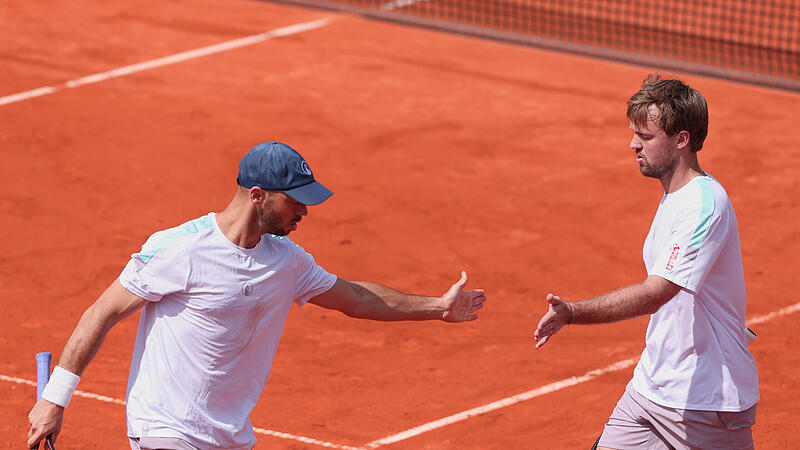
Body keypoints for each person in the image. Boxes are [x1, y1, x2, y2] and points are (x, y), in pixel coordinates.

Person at [26, 141, 487, 450]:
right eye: (296, 200)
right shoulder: (181, 248)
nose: (305, 210)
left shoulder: (286, 261)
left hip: (231, 436)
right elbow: (101, 312)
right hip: (166, 430)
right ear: (258, 195)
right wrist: (54, 398)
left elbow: (357, 299)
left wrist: (438, 307)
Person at [534, 74, 758, 449]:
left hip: (704, 403)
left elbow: (657, 293)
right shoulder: (675, 196)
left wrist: (573, 311)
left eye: (646, 136)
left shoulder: (704, 206)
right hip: (651, 389)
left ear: (681, 140)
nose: (633, 144)